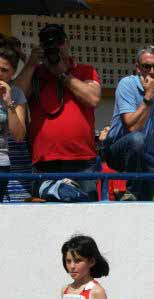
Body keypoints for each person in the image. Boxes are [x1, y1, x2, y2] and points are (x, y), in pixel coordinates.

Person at [15, 24, 101, 201]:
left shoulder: (85, 70)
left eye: (59, 42)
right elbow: (16, 97)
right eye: (50, 44)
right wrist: (31, 64)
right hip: (45, 162)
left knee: (88, 216)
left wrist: (63, 75)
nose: (56, 48)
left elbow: (93, 98)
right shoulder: (36, 73)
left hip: (82, 160)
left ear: (67, 43)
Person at [102, 45, 154, 201]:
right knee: (137, 139)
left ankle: (135, 196)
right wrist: (149, 96)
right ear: (138, 68)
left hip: (149, 156)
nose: (152, 71)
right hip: (119, 151)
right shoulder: (126, 84)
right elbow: (133, 127)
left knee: (145, 205)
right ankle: (130, 192)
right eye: (147, 66)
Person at [0, 46, 27, 202]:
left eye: (4, 70)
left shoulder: (16, 94)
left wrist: (9, 102)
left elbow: (18, 136)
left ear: (13, 74)